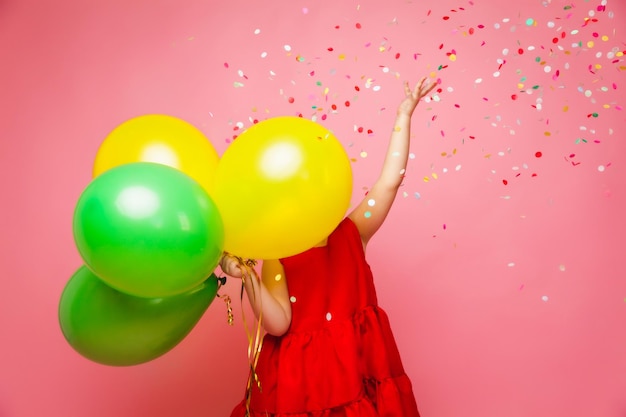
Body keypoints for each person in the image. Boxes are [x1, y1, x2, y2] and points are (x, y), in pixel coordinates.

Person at [220, 76, 437, 417]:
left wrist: (403, 117)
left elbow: (389, 182)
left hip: (357, 365)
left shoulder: (352, 231)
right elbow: (278, 324)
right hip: (305, 380)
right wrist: (248, 274)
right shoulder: (279, 254)